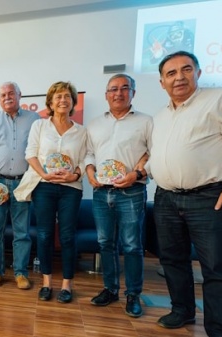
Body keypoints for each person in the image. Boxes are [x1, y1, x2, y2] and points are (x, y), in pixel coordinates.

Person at [150, 51, 222, 336]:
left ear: (198, 73)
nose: (179, 77)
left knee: (217, 268)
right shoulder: (160, 116)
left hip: (209, 198)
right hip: (165, 198)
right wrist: (143, 169)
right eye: (171, 73)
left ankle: (220, 329)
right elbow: (162, 155)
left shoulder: (221, 99)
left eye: (186, 69)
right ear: (162, 82)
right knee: (172, 260)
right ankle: (182, 310)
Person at [85, 74, 153, 317]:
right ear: (106, 95)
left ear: (133, 93)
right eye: (113, 89)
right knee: (105, 243)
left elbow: (153, 154)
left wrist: (136, 173)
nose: (119, 93)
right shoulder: (94, 124)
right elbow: (89, 153)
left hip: (131, 191)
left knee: (132, 245)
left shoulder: (146, 122)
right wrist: (90, 170)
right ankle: (110, 289)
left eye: (125, 88)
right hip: (101, 192)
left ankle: (133, 294)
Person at [22, 81, 86, 303]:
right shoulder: (39, 126)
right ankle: (47, 282)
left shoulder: (81, 131)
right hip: (44, 186)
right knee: (45, 234)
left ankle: (67, 285)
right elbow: (30, 154)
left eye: (67, 96)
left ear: (73, 102)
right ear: (50, 102)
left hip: (71, 188)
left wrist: (75, 176)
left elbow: (86, 158)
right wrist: (44, 174)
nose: (63, 100)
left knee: (68, 236)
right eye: (58, 96)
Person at [0, 81, 39, 289]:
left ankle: (21, 273)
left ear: (20, 95)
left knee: (22, 231)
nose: (7, 97)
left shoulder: (34, 119)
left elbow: (39, 149)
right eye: (2, 94)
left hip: (23, 183)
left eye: (11, 93)